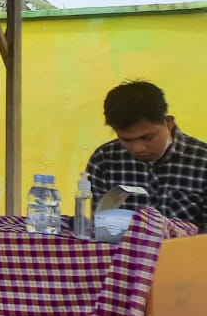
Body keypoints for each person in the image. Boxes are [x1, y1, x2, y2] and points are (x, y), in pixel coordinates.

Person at [86, 81, 206, 231]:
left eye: (147, 137)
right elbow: (100, 228)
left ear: (168, 123)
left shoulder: (202, 162)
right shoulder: (104, 161)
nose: (138, 148)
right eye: (126, 139)